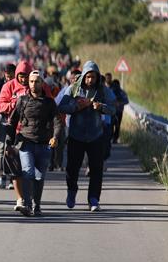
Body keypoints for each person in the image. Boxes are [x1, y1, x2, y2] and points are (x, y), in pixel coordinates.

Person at [58, 61, 115, 212]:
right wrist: (76, 107)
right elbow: (61, 106)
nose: (90, 80)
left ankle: (94, 199)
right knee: (72, 168)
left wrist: (101, 107)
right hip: (76, 135)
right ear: (83, 76)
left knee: (96, 169)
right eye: (88, 77)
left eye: (93, 77)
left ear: (97, 77)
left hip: (96, 136)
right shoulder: (73, 88)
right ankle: (71, 192)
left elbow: (114, 108)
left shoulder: (103, 90)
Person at [7, 70, 62, 216]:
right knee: (28, 173)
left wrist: (55, 137)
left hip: (44, 144)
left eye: (36, 81)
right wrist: (8, 142)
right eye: (31, 81)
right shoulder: (22, 100)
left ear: (42, 83)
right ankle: (27, 204)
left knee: (39, 177)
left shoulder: (49, 102)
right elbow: (12, 121)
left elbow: (57, 121)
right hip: (26, 143)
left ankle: (37, 204)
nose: (33, 84)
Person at [0, 63, 16, 189]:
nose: (8, 79)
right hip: (2, 121)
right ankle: (1, 177)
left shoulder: (19, 85)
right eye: (7, 76)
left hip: (16, 123)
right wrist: (1, 110)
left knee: (13, 150)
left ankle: (13, 178)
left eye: (11, 76)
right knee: (1, 149)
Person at [110, 79, 129, 143]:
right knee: (111, 125)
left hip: (119, 111)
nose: (115, 86)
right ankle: (111, 137)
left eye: (116, 85)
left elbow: (126, 101)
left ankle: (115, 138)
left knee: (117, 125)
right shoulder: (110, 91)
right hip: (111, 111)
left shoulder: (122, 92)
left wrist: (119, 103)